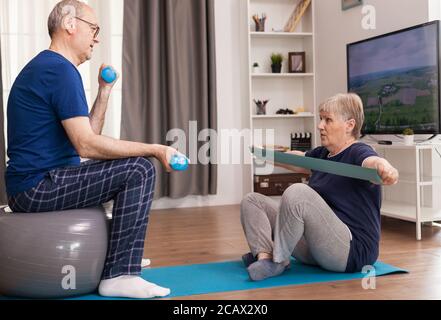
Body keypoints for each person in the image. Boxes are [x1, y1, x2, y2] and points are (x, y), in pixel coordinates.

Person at [5, 0, 178, 299]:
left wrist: (104, 91)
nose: (97, 37)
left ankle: (123, 258)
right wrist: (155, 149)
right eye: (94, 29)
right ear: (70, 25)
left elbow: (86, 138)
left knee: (134, 168)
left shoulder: (55, 68)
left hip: (45, 179)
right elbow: (87, 144)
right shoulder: (58, 70)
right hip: (36, 187)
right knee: (139, 168)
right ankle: (121, 272)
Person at [241, 93, 399, 281]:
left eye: (328, 120)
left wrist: (386, 169)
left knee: (298, 192)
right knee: (252, 201)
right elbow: (298, 159)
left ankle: (279, 260)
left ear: (349, 125)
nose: (320, 125)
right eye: (321, 119)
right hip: (317, 247)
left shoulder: (359, 151)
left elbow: (373, 161)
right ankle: (265, 257)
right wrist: (264, 153)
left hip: (351, 251)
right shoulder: (324, 154)